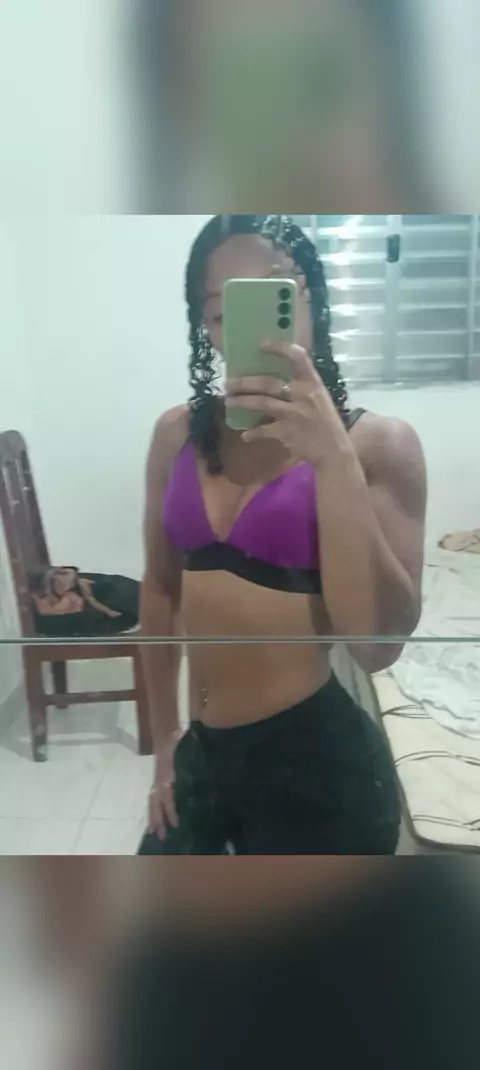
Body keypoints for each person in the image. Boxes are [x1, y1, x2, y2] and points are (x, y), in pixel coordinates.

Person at [138, 214, 427, 855]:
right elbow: (159, 589)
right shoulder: (176, 435)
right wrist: (164, 745)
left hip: (316, 768)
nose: (252, 334)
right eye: (222, 313)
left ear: (311, 301)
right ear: (205, 326)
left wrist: (334, 461)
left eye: (276, 298)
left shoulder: (379, 445)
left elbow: (378, 647)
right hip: (202, 757)